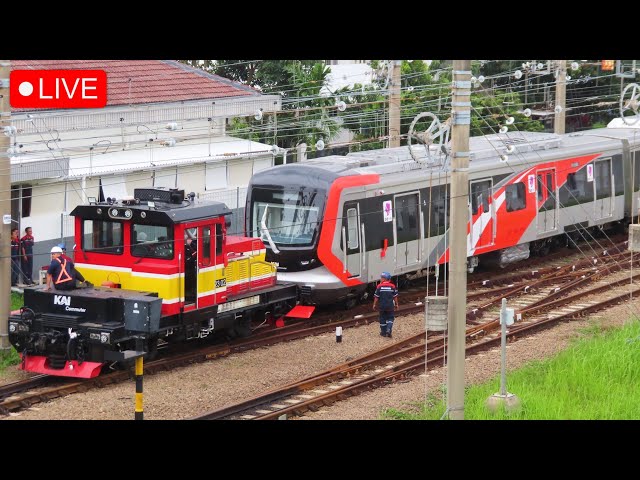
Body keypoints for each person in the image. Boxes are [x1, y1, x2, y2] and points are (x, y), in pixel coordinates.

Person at [372, 271, 398, 338]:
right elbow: (395, 297)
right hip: (390, 306)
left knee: (382, 319)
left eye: (382, 277)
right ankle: (389, 329)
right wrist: (397, 304)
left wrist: (374, 304)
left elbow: (376, 297)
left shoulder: (379, 287)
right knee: (390, 318)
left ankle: (383, 333)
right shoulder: (392, 286)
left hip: (382, 306)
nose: (380, 279)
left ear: (384, 279)